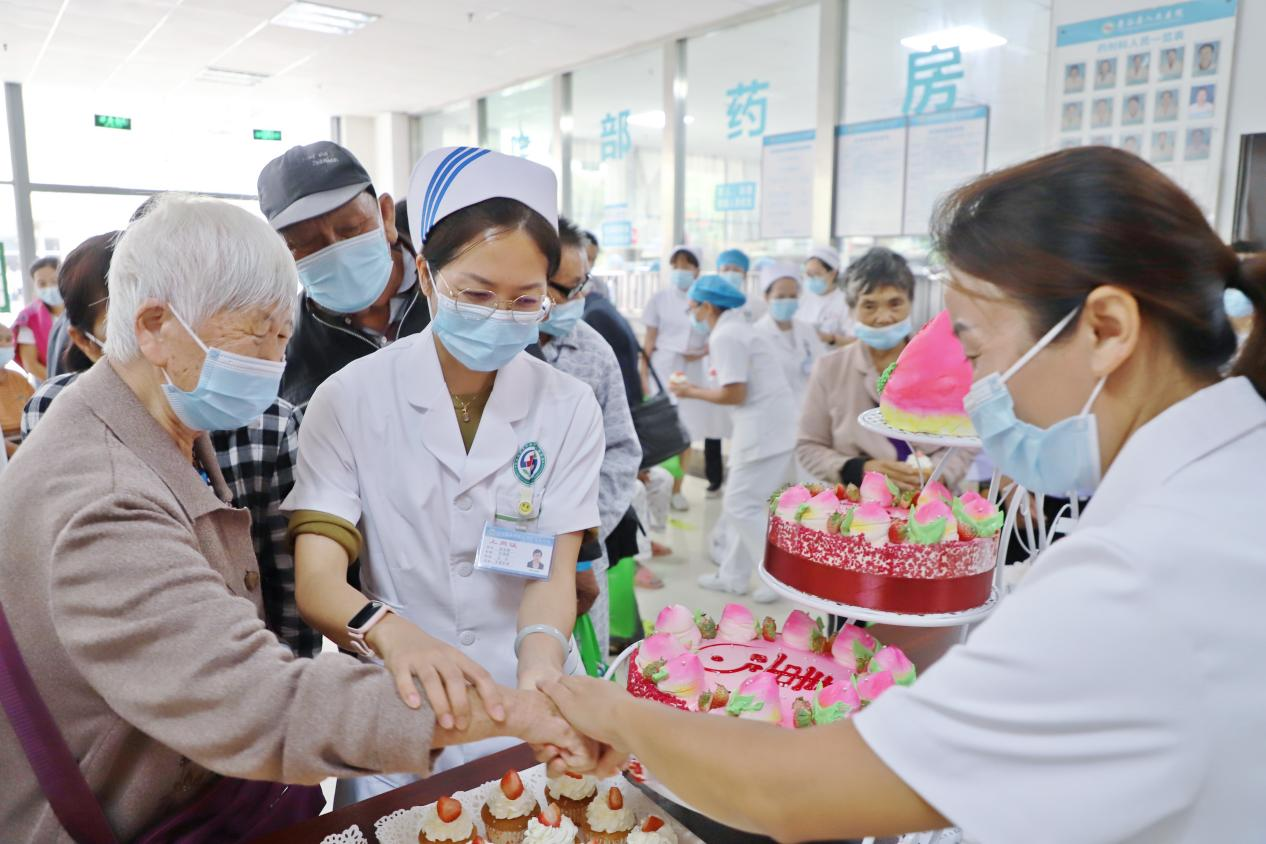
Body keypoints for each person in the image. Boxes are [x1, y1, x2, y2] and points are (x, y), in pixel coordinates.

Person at [542, 145, 1266, 843]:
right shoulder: (1227, 484)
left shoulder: (1135, 576)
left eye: (974, 351)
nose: (975, 396)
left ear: (1106, 329)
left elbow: (798, 795)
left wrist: (617, 713)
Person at [0, 193, 604, 842]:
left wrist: (536, 678)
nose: (273, 361)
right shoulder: (105, 496)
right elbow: (253, 701)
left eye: (283, 336)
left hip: (204, 778)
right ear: (155, 326)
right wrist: (512, 713)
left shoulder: (165, 436)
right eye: (258, 332)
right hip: (133, 807)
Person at [285, 147, 606, 803]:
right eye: (476, 293)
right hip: (402, 701)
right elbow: (318, 584)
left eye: (526, 300)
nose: (499, 315)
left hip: (530, 698)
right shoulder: (348, 398)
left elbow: (553, 575)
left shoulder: (569, 405)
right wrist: (390, 632)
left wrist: (539, 668)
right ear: (427, 277)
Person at [19, 229, 323, 659]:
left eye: (278, 337)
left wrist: (291, 675)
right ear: (87, 342)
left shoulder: (265, 420)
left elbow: (286, 576)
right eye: (118, 330)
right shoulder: (61, 416)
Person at [532, 215, 641, 660]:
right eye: (566, 289)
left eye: (583, 286)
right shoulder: (487, 351)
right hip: (500, 552)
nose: (578, 301)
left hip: (581, 551)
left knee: (575, 665)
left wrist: (583, 535)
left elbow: (622, 452)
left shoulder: (593, 353)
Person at [257, 141, 430, 409]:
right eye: (308, 242)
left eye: (351, 228)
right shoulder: (283, 349)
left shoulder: (453, 294)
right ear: (281, 253)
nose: (337, 252)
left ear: (386, 216)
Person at [797, 247, 968, 491]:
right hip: (861, 501)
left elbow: (967, 440)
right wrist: (858, 469)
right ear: (851, 309)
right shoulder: (829, 368)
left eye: (895, 303)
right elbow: (808, 445)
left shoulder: (944, 365)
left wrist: (938, 473)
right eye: (869, 306)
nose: (884, 317)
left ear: (910, 303)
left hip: (931, 498)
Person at [673, 275, 793, 603]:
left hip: (763, 430)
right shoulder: (738, 329)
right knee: (746, 503)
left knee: (739, 505)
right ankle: (733, 576)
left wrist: (689, 391)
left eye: (693, 308)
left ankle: (774, 578)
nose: (692, 315)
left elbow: (735, 393)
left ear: (707, 306)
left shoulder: (726, 335)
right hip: (771, 426)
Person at [642, 244, 709, 511]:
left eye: (686, 266)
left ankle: (678, 490)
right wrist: (643, 375)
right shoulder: (659, 299)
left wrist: (702, 352)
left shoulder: (705, 301)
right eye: (676, 266)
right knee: (660, 431)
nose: (680, 271)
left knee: (687, 433)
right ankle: (657, 487)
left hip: (693, 371)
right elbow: (649, 341)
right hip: (663, 368)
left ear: (697, 270)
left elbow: (716, 334)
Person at [753, 261, 820, 398]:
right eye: (780, 297)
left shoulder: (807, 330)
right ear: (766, 297)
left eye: (792, 296)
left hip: (808, 404)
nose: (787, 301)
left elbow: (822, 365)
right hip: (773, 406)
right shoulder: (756, 334)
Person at [12, 255, 62, 381]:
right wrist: (64, 384)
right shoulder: (28, 318)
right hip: (50, 382)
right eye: (42, 284)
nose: (49, 287)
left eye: (54, 281)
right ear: (34, 286)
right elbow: (31, 364)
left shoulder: (82, 308)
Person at [801, 245, 852, 347]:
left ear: (833, 273)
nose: (811, 278)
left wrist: (830, 338)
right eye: (808, 274)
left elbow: (855, 342)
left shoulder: (846, 302)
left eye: (817, 274)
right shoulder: (800, 297)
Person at [0, 324, 33, 457]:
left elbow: (38, 414)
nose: (3, 344)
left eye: (9, 340)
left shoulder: (19, 378)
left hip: (27, 442)